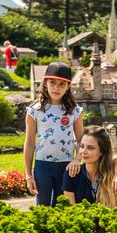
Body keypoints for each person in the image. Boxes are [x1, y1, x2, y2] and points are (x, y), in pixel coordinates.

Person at [24, 62, 82, 206]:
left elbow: (82, 141)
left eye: (62, 84)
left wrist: (77, 159)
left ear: (68, 86)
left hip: (67, 167)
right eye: (52, 82)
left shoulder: (74, 111)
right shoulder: (34, 110)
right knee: (42, 208)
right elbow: (29, 143)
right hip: (42, 166)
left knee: (62, 208)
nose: (56, 88)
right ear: (45, 83)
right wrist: (28, 175)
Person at [63, 125, 117, 208]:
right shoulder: (71, 174)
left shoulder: (112, 175)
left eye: (90, 148)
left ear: (102, 151)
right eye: (82, 146)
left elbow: (112, 211)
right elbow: (70, 211)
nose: (83, 151)